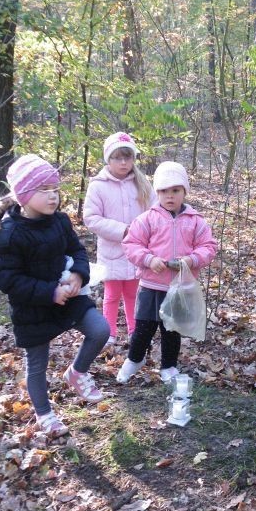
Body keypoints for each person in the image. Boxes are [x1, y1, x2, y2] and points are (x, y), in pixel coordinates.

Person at [0, 154, 110, 438]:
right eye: (44, 191)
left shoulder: (60, 221)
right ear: (24, 196)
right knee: (37, 364)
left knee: (100, 330)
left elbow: (77, 251)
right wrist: (49, 293)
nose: (53, 197)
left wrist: (78, 274)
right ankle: (45, 414)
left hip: (69, 297)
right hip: (33, 308)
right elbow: (8, 279)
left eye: (55, 190)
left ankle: (77, 372)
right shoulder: (10, 234)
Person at [117, 161, 218, 384]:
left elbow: (209, 246)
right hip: (151, 286)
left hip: (179, 287)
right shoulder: (147, 219)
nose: (169, 196)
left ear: (184, 192)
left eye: (175, 190)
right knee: (143, 326)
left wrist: (191, 260)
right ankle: (135, 359)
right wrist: (148, 259)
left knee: (171, 329)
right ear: (157, 192)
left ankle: (169, 366)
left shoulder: (195, 221)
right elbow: (131, 244)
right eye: (164, 191)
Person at [83, 132, 157, 351]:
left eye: (128, 157)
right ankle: (109, 333)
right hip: (111, 251)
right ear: (109, 159)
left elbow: (155, 212)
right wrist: (123, 230)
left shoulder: (142, 184)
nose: (123, 162)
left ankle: (136, 331)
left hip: (138, 251)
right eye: (118, 157)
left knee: (134, 294)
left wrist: (145, 233)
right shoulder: (98, 185)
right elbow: (91, 218)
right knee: (112, 294)